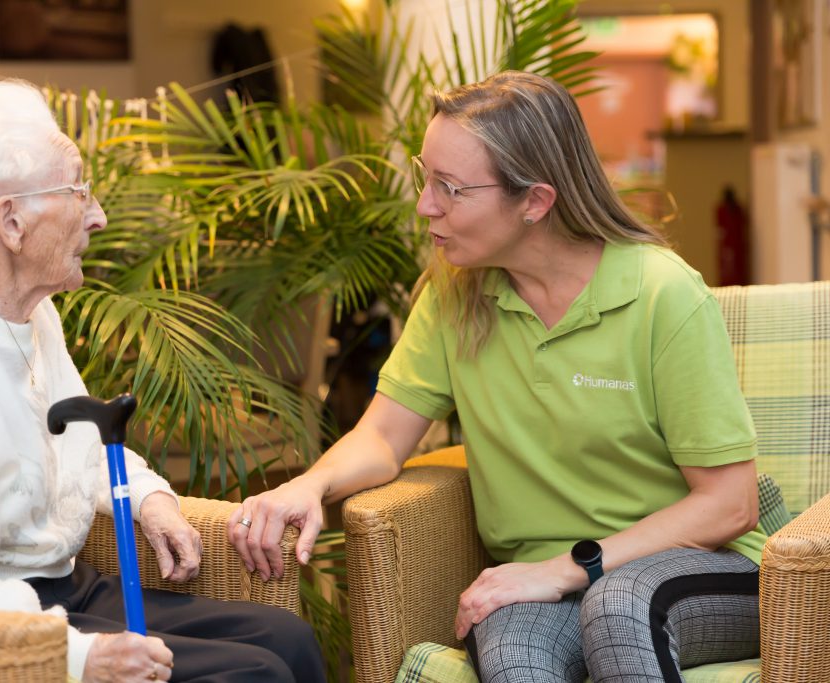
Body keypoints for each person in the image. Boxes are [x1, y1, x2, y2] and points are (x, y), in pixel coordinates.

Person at [227, 71, 764, 682]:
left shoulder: (661, 294)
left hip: (698, 570)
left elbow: (729, 503)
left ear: (534, 201)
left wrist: (567, 568)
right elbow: (382, 436)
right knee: (510, 647)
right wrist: (311, 484)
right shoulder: (455, 296)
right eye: (424, 177)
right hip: (544, 578)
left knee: (617, 607)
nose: (426, 205)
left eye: (450, 188)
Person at [0, 79, 324, 683]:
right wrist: (73, 657)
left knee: (288, 640)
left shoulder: (31, 315)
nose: (98, 215)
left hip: (57, 588)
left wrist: (149, 499)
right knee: (253, 673)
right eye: (77, 192)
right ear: (10, 222)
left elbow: (75, 443)